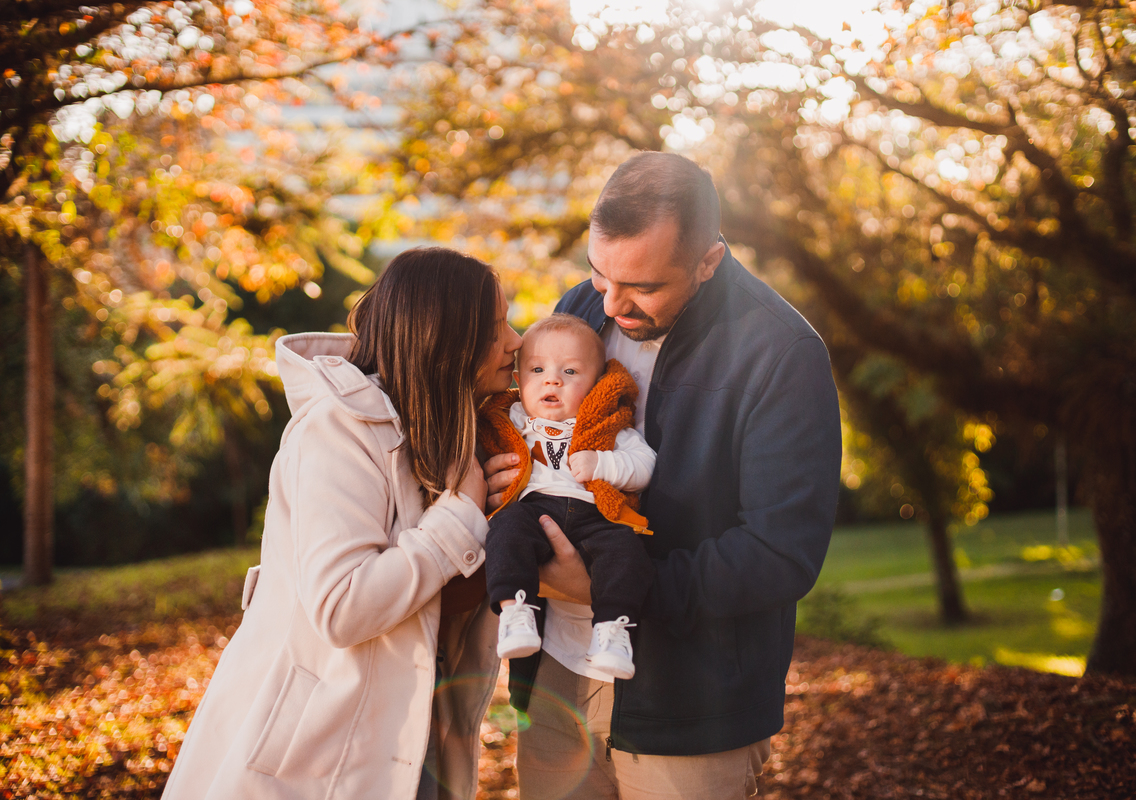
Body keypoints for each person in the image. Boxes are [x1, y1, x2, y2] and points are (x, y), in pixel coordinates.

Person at [482, 152, 842, 800]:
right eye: (599, 274)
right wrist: (506, 471)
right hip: (558, 675)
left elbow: (781, 553)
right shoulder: (581, 309)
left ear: (708, 261)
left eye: (643, 288)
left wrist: (613, 587)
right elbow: (530, 417)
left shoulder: (781, 353)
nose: (612, 303)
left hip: (692, 703)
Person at [163, 247, 523, 800]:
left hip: (414, 736)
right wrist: (462, 515)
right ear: (448, 340)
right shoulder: (338, 430)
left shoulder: (458, 432)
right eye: (497, 325)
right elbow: (342, 607)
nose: (516, 340)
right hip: (319, 754)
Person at [481, 313, 656, 680]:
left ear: (597, 385)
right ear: (518, 379)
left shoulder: (606, 428)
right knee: (506, 529)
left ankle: (613, 631)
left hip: (594, 516)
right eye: (537, 369)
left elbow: (644, 466)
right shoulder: (511, 419)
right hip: (533, 510)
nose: (552, 379)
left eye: (571, 372)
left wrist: (602, 464)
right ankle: (516, 612)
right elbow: (482, 455)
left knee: (625, 551)